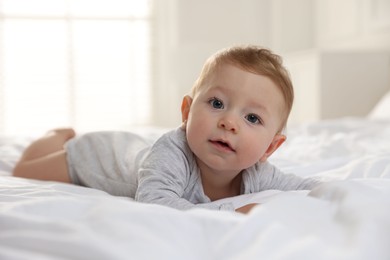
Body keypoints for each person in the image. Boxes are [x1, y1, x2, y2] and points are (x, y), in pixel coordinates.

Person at [13, 45, 321, 213]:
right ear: (186, 112)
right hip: (96, 156)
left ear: (270, 148)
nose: (229, 122)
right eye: (216, 103)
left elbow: (304, 185)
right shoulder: (171, 155)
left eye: (252, 118)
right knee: (25, 169)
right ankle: (57, 136)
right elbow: (156, 202)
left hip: (134, 150)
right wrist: (229, 214)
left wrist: (336, 192)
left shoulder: (257, 173)